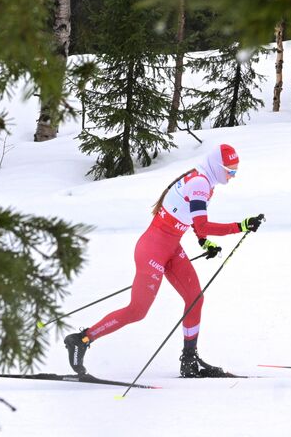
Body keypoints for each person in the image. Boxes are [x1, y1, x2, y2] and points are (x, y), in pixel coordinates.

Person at [64, 143, 265, 378]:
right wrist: (240, 226)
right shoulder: (200, 183)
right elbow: (202, 224)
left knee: (195, 299)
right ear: (216, 167)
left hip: (170, 249)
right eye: (229, 171)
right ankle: (82, 339)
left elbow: (191, 219)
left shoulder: (205, 181)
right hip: (152, 251)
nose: (232, 176)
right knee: (137, 311)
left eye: (235, 171)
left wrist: (203, 242)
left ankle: (190, 360)